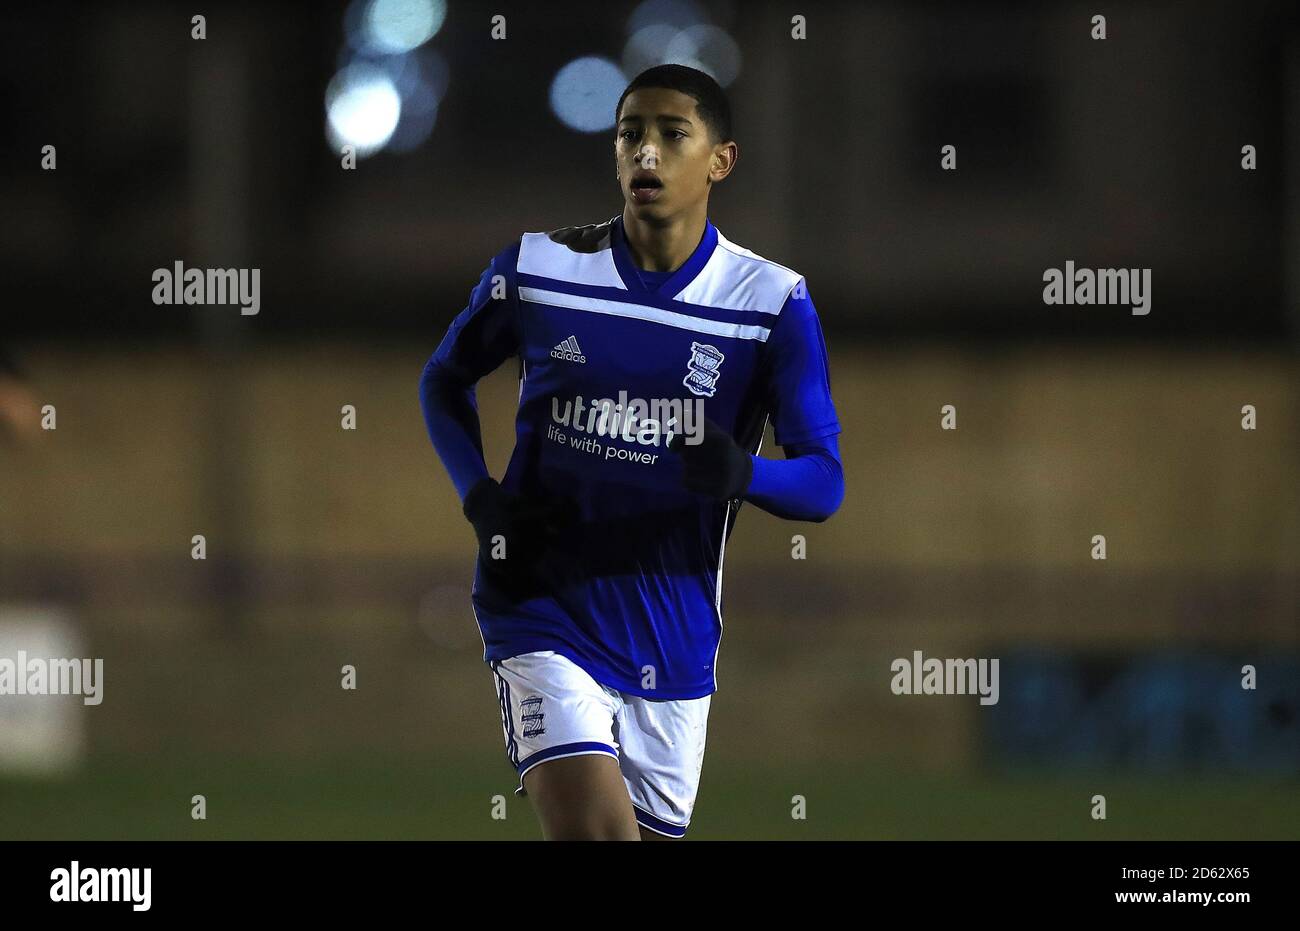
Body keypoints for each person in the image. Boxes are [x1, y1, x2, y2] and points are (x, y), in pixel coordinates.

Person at [419, 64, 843, 840]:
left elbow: (824, 483)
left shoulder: (772, 302)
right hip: (542, 609)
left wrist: (741, 473)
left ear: (721, 159)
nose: (645, 152)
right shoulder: (541, 270)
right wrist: (480, 497)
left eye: (671, 134)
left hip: (672, 638)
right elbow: (444, 379)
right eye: (629, 133)